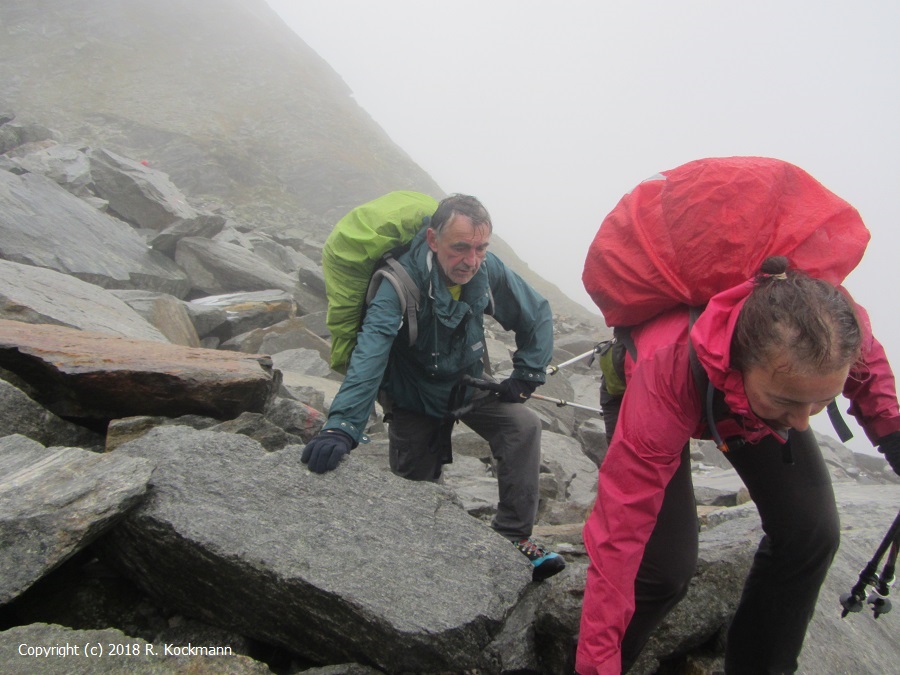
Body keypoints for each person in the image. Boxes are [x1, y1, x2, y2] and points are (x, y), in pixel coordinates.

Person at [576, 256, 900, 674]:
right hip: (654, 389)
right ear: (741, 363)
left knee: (811, 532)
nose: (803, 422)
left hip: (750, 402)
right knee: (660, 571)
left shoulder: (831, 329)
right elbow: (619, 536)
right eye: (790, 403)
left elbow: (865, 368)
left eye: (820, 401)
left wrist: (892, 436)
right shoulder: (668, 369)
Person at [301, 193, 566, 581]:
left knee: (522, 426)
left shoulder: (486, 270)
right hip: (412, 395)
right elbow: (370, 353)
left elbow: (537, 312)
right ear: (432, 240)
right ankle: (418, 568)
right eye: (460, 248)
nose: (471, 260)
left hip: (465, 382)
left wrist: (526, 376)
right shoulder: (397, 283)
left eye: (480, 248)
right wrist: (342, 425)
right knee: (415, 496)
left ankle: (514, 537)